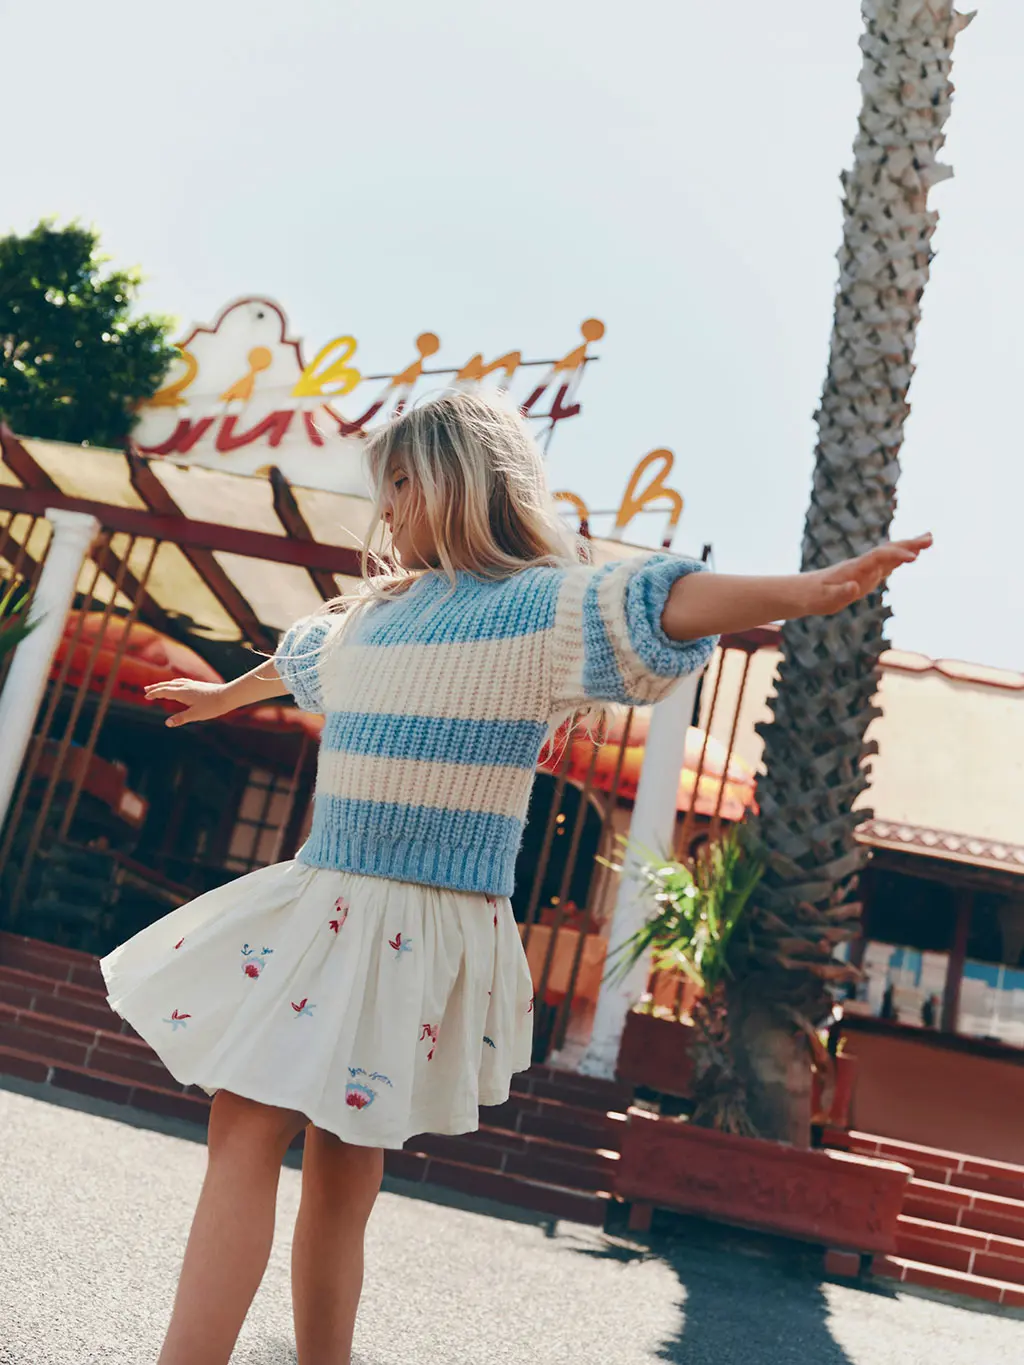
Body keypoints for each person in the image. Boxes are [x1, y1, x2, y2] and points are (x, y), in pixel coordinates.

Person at [101, 391, 931, 1365]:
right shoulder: (373, 616)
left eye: (403, 483)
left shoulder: (538, 609)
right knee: (323, 1157)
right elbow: (305, 661)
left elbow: (657, 601)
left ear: (462, 481)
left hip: (404, 926)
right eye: (383, 487)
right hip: (335, 905)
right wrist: (224, 694)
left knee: (271, 1137)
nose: (386, 508)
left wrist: (806, 591)